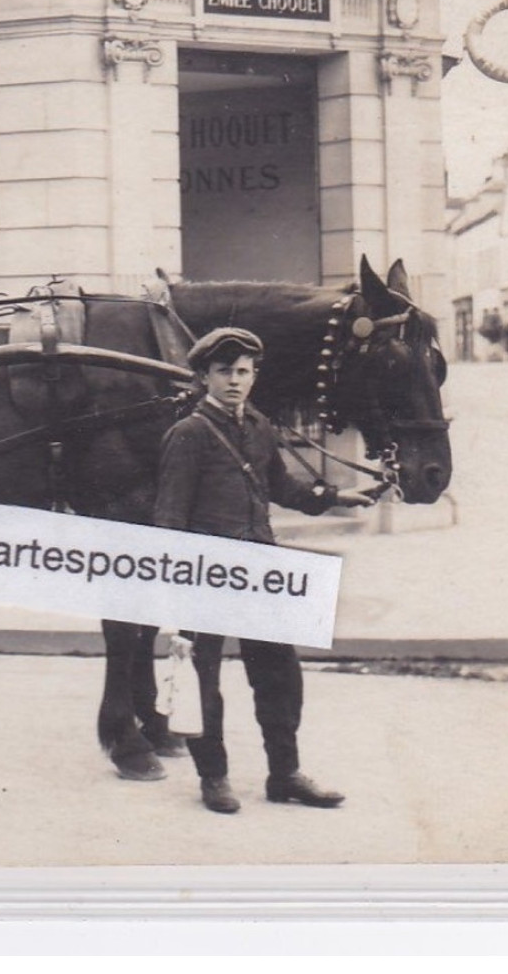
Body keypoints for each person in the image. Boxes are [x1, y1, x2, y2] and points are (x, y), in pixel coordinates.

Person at [153, 326, 378, 815]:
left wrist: (336, 497)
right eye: (223, 372)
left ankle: (285, 774)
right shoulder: (188, 435)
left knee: (279, 673)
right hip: (207, 576)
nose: (234, 381)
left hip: (259, 569)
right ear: (204, 377)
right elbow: (168, 519)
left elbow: (283, 486)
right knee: (203, 679)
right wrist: (172, 598)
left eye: (243, 372)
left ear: (253, 376)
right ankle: (213, 778)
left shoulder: (256, 426)